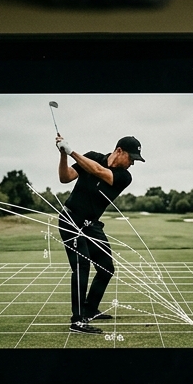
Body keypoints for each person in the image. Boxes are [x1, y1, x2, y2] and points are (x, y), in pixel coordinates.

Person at [54, 134, 144, 334]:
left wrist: (71, 151)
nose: (132, 164)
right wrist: (63, 154)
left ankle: (90, 309)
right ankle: (77, 321)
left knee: (106, 268)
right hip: (70, 220)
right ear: (119, 151)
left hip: (91, 225)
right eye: (131, 158)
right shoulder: (92, 156)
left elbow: (98, 171)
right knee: (82, 265)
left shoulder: (124, 177)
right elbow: (65, 177)